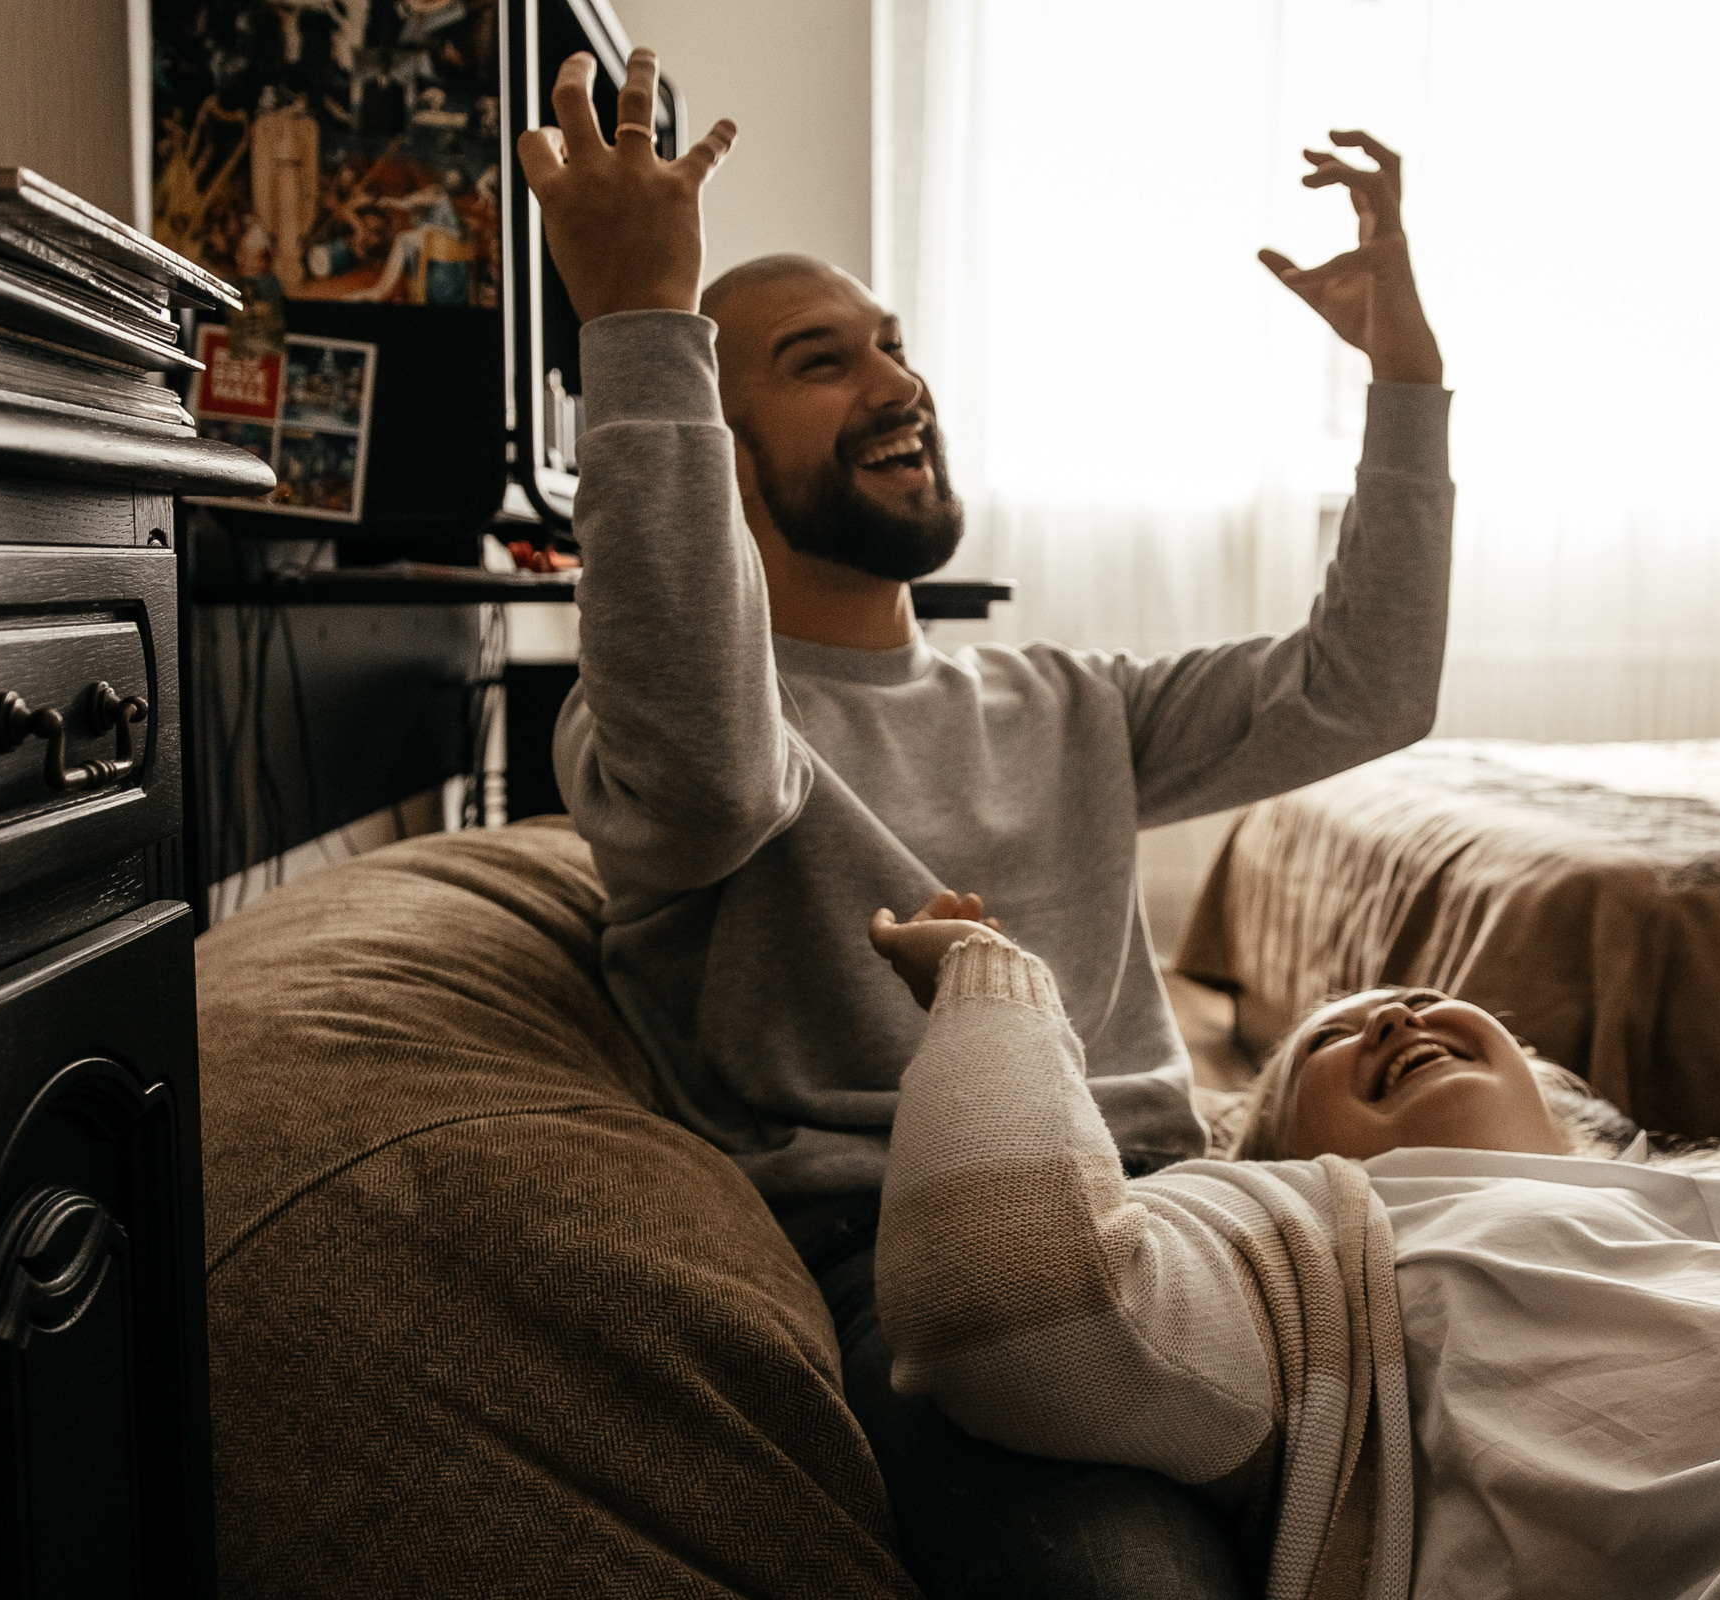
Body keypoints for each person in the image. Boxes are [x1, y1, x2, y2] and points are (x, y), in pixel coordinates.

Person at [517, 40, 1453, 1599]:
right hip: (928, 1274)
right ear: (715, 453)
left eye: (893, 346)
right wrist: (636, 325)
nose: (900, 385)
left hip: (1196, 1220)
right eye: (820, 361)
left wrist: (1406, 385)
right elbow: (712, 784)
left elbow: (1367, 692)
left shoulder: (1065, 700)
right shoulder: (661, 733)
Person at [864, 901, 1720, 1600]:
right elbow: (1009, 1306)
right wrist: (994, 979)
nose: (1393, 1016)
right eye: (1331, 1042)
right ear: (1273, 1149)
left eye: (1425, 996)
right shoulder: (1311, 1243)